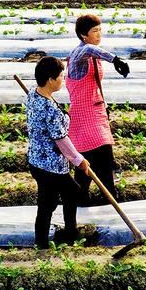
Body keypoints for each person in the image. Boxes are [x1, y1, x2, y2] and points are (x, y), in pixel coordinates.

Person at [25, 55, 92, 249]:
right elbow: (62, 141)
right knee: (69, 194)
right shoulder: (50, 110)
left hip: (36, 160)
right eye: (61, 76)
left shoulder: (33, 94)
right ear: (50, 79)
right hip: (50, 165)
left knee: (48, 201)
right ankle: (68, 235)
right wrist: (80, 161)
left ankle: (46, 240)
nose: (63, 79)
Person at [66, 13, 130, 203]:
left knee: (97, 158)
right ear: (83, 35)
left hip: (96, 112)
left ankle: (103, 197)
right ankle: (93, 198)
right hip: (82, 114)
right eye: (95, 31)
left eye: (100, 30)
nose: (99, 34)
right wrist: (115, 59)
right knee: (94, 157)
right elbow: (90, 50)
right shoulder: (79, 54)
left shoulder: (93, 54)